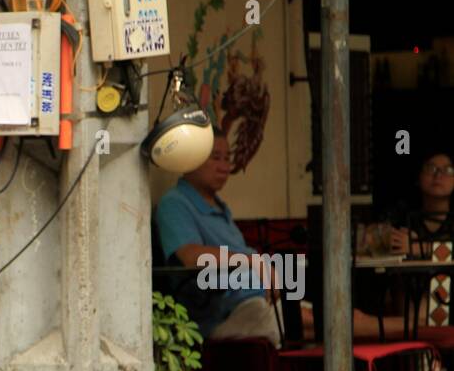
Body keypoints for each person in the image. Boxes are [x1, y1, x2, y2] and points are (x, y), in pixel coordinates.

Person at [156, 136, 399, 342]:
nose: (224, 166)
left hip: (260, 294)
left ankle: (411, 330)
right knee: (326, 320)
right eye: (214, 157)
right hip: (221, 310)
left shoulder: (220, 207)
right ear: (191, 159)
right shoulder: (174, 203)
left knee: (334, 306)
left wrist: (266, 269)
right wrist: (252, 261)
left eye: (227, 158)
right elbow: (188, 256)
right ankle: (410, 329)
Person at [388, 151, 452, 327]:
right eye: (431, 168)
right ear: (418, 176)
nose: (438, 175)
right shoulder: (405, 216)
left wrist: (416, 248)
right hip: (409, 305)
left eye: (448, 170)